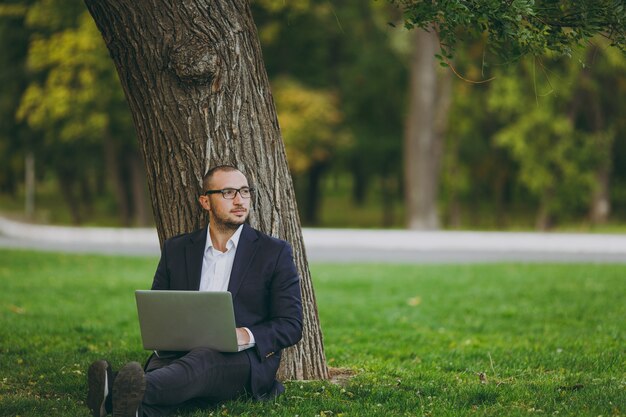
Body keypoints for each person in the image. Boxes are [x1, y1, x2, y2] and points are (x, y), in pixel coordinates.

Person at [86, 165, 303, 417]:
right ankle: (128, 409)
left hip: (240, 361)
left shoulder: (273, 252)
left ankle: (112, 390)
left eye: (244, 191)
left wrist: (243, 334)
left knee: (202, 360)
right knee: (172, 377)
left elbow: (291, 324)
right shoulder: (176, 250)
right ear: (205, 201)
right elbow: (159, 308)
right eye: (228, 192)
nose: (239, 200)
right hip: (176, 353)